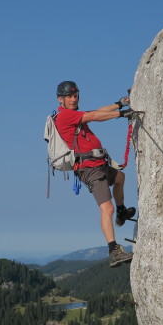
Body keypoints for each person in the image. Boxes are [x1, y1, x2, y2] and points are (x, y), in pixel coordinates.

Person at [54, 80, 135, 267]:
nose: (74, 99)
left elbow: (95, 112)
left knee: (120, 178)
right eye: (69, 97)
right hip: (89, 169)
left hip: (98, 163)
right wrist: (122, 113)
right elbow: (94, 116)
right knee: (107, 208)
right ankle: (113, 250)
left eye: (75, 96)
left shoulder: (73, 114)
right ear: (61, 99)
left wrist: (119, 104)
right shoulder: (64, 116)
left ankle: (122, 213)